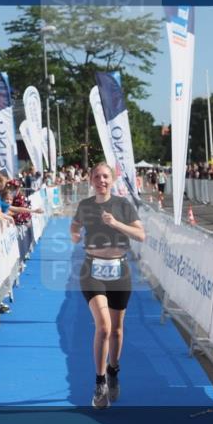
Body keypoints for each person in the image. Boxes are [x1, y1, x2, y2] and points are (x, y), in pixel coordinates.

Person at [70, 162, 145, 409]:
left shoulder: (123, 205)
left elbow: (140, 235)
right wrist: (75, 235)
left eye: (105, 176)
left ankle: (113, 371)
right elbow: (74, 225)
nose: (101, 180)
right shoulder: (85, 205)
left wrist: (115, 224)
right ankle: (100, 381)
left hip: (119, 271)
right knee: (103, 327)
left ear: (111, 180)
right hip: (92, 270)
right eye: (97, 176)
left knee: (117, 330)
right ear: (91, 180)